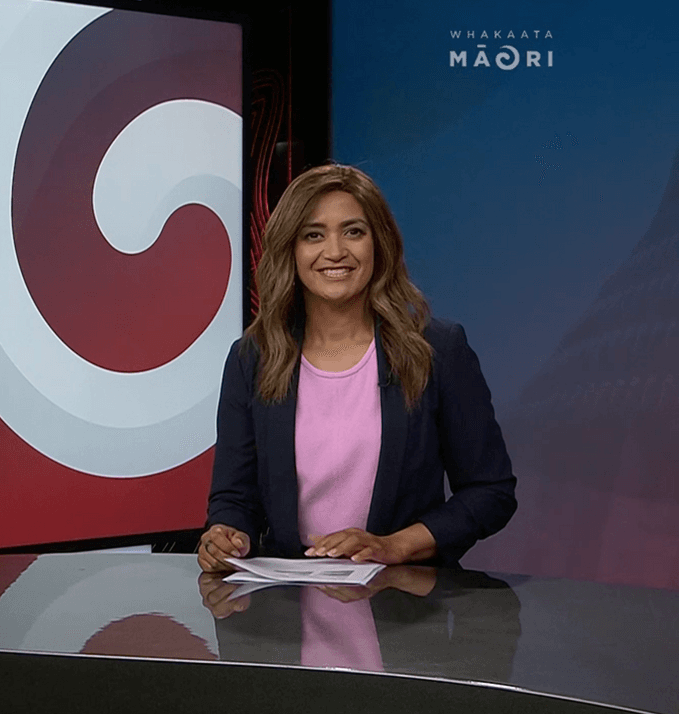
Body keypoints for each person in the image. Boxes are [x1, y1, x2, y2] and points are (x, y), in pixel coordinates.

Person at [198, 164, 516, 573]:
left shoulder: (436, 349)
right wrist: (225, 535)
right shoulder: (253, 358)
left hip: (403, 601)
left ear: (379, 243)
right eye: (313, 235)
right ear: (290, 249)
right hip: (284, 604)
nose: (335, 251)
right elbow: (233, 499)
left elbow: (490, 492)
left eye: (353, 231)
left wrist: (395, 546)